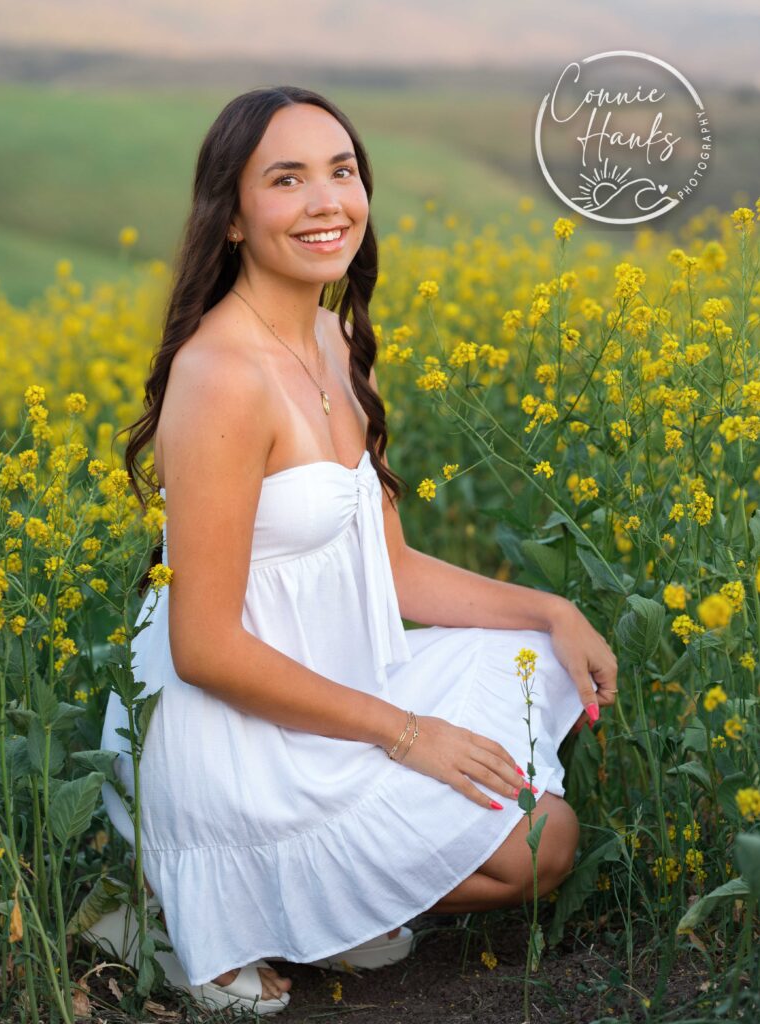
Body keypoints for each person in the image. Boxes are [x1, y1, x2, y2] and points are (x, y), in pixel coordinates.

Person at [95, 85, 618, 1015]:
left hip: (333, 679)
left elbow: (398, 570)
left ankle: (308, 908)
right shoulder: (220, 377)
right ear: (230, 219)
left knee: (534, 674)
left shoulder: (339, 344)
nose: (325, 200)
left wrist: (552, 609)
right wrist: (408, 736)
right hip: (234, 731)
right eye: (285, 179)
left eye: (340, 171)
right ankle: (184, 909)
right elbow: (203, 648)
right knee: (540, 843)